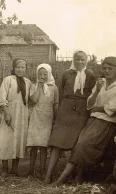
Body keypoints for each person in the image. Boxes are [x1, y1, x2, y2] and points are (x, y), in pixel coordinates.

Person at [52, 56, 116, 186]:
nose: (107, 71)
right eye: (104, 68)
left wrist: (97, 108)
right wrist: (97, 91)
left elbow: (112, 107)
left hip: (106, 123)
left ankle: (62, 178)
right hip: (93, 120)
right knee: (79, 145)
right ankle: (77, 176)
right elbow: (89, 104)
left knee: (83, 145)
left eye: (110, 68)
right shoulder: (101, 83)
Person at [44, 50, 96, 184]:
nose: (79, 62)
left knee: (78, 145)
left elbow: (92, 96)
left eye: (82, 59)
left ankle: (77, 176)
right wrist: (60, 112)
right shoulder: (66, 74)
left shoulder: (90, 75)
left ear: (86, 61)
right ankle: (48, 175)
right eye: (77, 59)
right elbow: (61, 93)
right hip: (65, 111)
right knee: (57, 143)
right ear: (73, 60)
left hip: (81, 112)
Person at [0, 59, 31, 176]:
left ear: (26, 69)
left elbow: (31, 99)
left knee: (19, 140)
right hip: (10, 112)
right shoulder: (8, 80)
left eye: (23, 67)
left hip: (22, 115)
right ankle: (5, 168)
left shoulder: (28, 82)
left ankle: (15, 168)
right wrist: (6, 113)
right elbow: (2, 98)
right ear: (14, 68)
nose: (20, 70)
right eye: (18, 67)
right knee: (5, 138)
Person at [26, 63, 59, 178]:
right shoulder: (34, 86)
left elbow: (55, 104)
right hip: (36, 116)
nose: (43, 76)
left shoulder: (54, 87)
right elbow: (34, 100)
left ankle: (42, 170)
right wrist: (40, 87)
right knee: (34, 144)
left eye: (45, 74)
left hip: (47, 118)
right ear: (37, 74)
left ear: (49, 74)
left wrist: (55, 118)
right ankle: (31, 170)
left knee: (44, 145)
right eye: (40, 74)